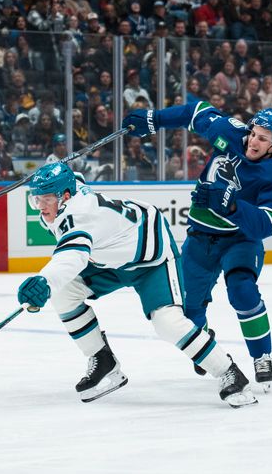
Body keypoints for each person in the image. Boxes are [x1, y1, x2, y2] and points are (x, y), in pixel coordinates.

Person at [17, 162, 256, 407]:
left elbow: (72, 257)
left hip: (151, 257)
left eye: (47, 199)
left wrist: (45, 281)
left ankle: (229, 372)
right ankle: (103, 360)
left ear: (66, 197)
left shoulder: (79, 216)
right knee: (64, 294)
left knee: (168, 323)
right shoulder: (70, 192)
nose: (41, 206)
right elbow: (76, 176)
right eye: (37, 199)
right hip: (110, 259)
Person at [123, 105, 272, 392]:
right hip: (200, 238)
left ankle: (261, 355)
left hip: (240, 241)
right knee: (188, 309)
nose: (254, 141)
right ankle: (206, 346)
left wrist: (232, 206)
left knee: (243, 292)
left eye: (263, 139)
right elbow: (196, 112)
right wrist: (155, 119)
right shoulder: (229, 131)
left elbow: (266, 224)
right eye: (254, 134)